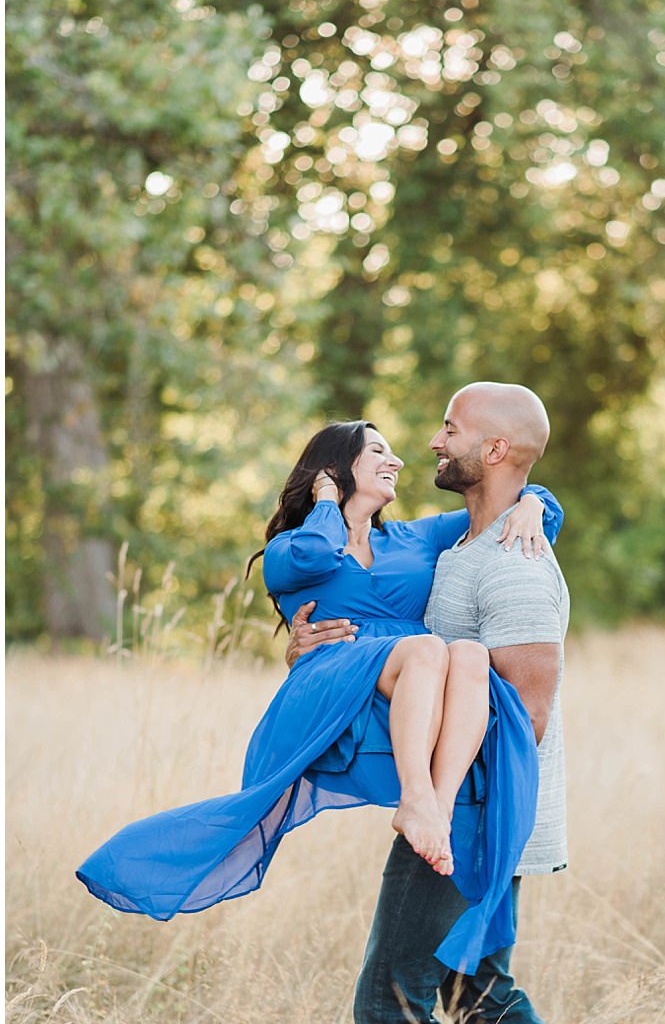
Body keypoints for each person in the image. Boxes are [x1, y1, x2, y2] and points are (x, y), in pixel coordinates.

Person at [286, 381, 636, 1024]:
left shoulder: (515, 565)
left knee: (388, 997)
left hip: (473, 814)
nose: (435, 443)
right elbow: (380, 632)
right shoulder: (461, 549)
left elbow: (530, 714)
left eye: (452, 429)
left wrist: (441, 806)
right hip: (458, 809)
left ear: (497, 451)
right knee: (476, 994)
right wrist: (313, 646)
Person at [76, 417, 562, 975]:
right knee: (430, 649)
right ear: (336, 468)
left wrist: (532, 506)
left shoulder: (413, 537)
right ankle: (416, 798)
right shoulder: (291, 547)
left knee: (471, 656)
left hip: (407, 683)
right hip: (335, 678)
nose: (399, 460)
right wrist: (330, 501)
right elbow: (311, 555)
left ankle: (435, 804)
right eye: (379, 450)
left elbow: (507, 500)